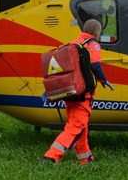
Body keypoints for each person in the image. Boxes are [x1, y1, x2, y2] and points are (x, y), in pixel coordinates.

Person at [43, 19, 114, 164]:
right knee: (76, 127)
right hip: (83, 95)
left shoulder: (74, 43)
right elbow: (95, 65)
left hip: (72, 94)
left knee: (82, 127)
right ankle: (51, 156)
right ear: (97, 32)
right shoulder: (92, 44)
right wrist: (104, 80)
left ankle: (86, 159)